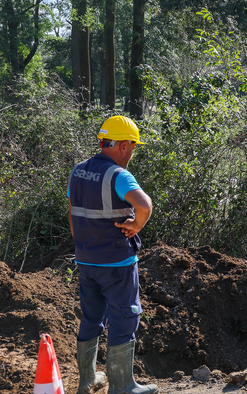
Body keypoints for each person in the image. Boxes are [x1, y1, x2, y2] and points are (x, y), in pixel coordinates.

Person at [68, 115, 157, 394]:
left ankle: (87, 381)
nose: (131, 153)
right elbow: (144, 205)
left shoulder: (77, 171)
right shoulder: (118, 175)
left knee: (91, 317)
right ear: (122, 145)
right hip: (116, 263)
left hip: (86, 260)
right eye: (132, 147)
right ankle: (122, 386)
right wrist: (136, 225)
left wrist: (84, 243)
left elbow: (72, 214)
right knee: (124, 318)